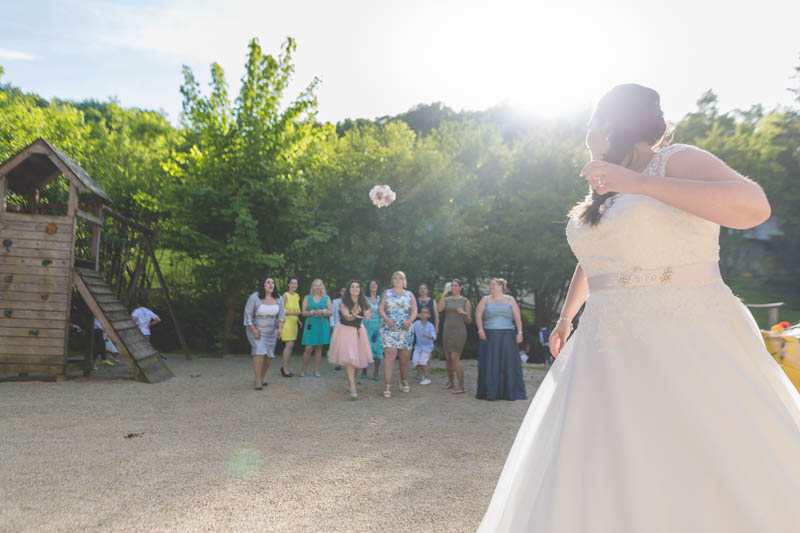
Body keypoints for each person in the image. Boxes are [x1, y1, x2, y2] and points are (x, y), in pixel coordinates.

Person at [478, 84, 800, 532]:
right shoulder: (604, 189)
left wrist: (638, 183)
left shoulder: (674, 160)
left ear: (609, 125)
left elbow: (753, 207)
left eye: (589, 125)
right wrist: (567, 316)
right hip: (605, 343)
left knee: (699, 448)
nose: (586, 137)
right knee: (603, 458)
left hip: (687, 332)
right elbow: (597, 260)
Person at [474, 278, 526, 401]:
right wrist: (480, 330)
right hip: (489, 335)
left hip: (507, 335)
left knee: (507, 362)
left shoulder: (510, 300)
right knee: (490, 362)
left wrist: (520, 332)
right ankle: (490, 392)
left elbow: (517, 318)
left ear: (500, 286)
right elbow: (478, 315)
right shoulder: (485, 299)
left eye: (493, 285)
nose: (491, 287)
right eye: (490, 285)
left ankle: (509, 392)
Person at [327, 280, 373, 399]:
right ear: (349, 289)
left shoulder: (363, 301)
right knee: (349, 360)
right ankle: (353, 388)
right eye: (352, 287)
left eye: (357, 287)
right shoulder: (343, 303)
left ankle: (351, 381)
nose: (355, 289)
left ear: (360, 289)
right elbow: (347, 317)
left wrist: (368, 314)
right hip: (345, 332)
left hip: (358, 331)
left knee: (356, 362)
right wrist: (354, 314)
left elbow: (368, 312)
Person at [379, 271, 417, 398]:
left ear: (404, 281)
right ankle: (387, 385)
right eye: (395, 278)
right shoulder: (387, 293)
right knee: (389, 355)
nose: (397, 280)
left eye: (400, 278)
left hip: (405, 330)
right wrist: (386, 319)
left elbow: (414, 310)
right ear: (392, 281)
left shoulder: (409, 294)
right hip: (389, 329)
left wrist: (410, 321)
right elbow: (380, 309)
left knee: (405, 358)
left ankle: (403, 380)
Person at [243, 277, 285, 390]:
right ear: (263, 285)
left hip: (271, 331)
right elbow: (248, 316)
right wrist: (254, 330)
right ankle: (258, 382)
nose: (271, 284)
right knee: (259, 352)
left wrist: (280, 329)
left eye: (273, 283)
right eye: (268, 282)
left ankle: (261, 377)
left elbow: (281, 316)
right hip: (257, 329)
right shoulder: (254, 297)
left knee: (269, 356)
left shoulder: (279, 298)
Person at [438, 279, 471, 394]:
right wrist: (443, 294)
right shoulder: (446, 299)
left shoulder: (465, 301)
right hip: (447, 331)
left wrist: (464, 313)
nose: (453, 288)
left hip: (459, 332)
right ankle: (450, 382)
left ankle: (461, 387)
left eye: (456, 286)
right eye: (452, 286)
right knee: (448, 359)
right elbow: (439, 309)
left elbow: (469, 321)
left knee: (454, 358)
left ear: (460, 287)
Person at [300, 279, 332, 377]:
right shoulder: (307, 297)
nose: (318, 287)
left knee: (319, 348)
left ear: (322, 286)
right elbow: (303, 312)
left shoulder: (326, 298)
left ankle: (316, 371)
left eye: (319, 285)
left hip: (322, 325)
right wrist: (313, 312)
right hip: (310, 325)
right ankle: (303, 370)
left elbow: (331, 312)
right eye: (316, 285)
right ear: (312, 287)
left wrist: (322, 312)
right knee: (308, 348)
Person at [414, 282, 439, 380]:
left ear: (427, 290)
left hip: (429, 328)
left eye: (424, 288)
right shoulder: (415, 301)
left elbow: (436, 316)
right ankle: (418, 372)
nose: (422, 290)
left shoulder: (432, 301)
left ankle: (425, 371)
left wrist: (436, 328)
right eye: (420, 288)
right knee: (418, 350)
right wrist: (418, 315)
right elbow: (412, 314)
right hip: (418, 328)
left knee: (428, 351)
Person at [279, 277, 302, 377]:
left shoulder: (297, 296)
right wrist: (293, 313)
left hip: (294, 323)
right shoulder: (285, 295)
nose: (294, 285)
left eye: (296, 283)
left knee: (291, 346)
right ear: (288, 284)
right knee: (288, 345)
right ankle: (284, 368)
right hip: (286, 323)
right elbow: (281, 311)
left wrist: (299, 320)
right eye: (292, 283)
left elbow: (297, 310)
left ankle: (285, 366)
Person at [361, 280, 383, 381]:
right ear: (369, 287)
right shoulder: (365, 299)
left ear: (378, 286)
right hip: (367, 326)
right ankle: (364, 369)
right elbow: (362, 312)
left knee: (378, 349)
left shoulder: (381, 299)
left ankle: (376, 371)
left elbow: (383, 313)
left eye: (375, 284)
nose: (373, 286)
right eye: (371, 284)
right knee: (366, 348)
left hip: (378, 327)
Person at [411, 307, 437, 385]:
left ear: (429, 315)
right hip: (418, 346)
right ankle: (422, 373)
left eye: (425, 312)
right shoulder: (416, 323)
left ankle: (427, 378)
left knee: (422, 362)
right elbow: (409, 328)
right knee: (415, 362)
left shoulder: (430, 325)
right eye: (422, 312)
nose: (423, 313)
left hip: (427, 347)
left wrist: (428, 336)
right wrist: (414, 316)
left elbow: (434, 337)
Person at [330, 287, 346, 370]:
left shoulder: (351, 302)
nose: (344, 292)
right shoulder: (335, 301)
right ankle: (337, 363)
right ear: (340, 292)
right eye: (343, 291)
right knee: (338, 344)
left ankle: (346, 361)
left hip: (348, 326)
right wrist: (332, 325)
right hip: (337, 325)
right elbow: (332, 314)